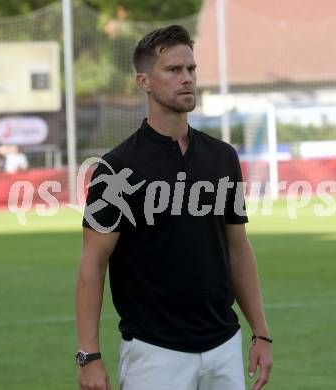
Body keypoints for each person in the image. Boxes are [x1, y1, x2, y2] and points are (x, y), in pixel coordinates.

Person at [76, 25, 273, 390]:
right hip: (154, 354)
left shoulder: (222, 157)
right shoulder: (116, 169)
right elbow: (93, 263)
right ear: (144, 81)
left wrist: (261, 333)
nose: (187, 79)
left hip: (224, 347)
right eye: (173, 70)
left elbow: (238, 248)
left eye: (191, 69)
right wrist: (88, 355)